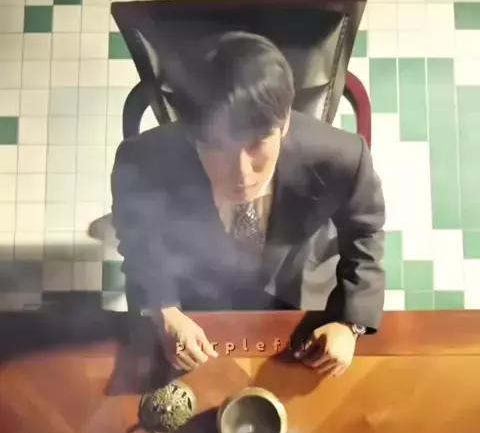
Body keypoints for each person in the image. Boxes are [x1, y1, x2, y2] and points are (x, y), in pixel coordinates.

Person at [111, 31, 386, 378]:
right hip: (192, 299)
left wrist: (348, 324)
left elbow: (365, 232)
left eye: (257, 144)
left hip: (298, 295)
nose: (241, 173)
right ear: (192, 133)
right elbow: (138, 240)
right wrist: (165, 311)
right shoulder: (141, 160)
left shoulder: (342, 157)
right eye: (217, 147)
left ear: (284, 123)